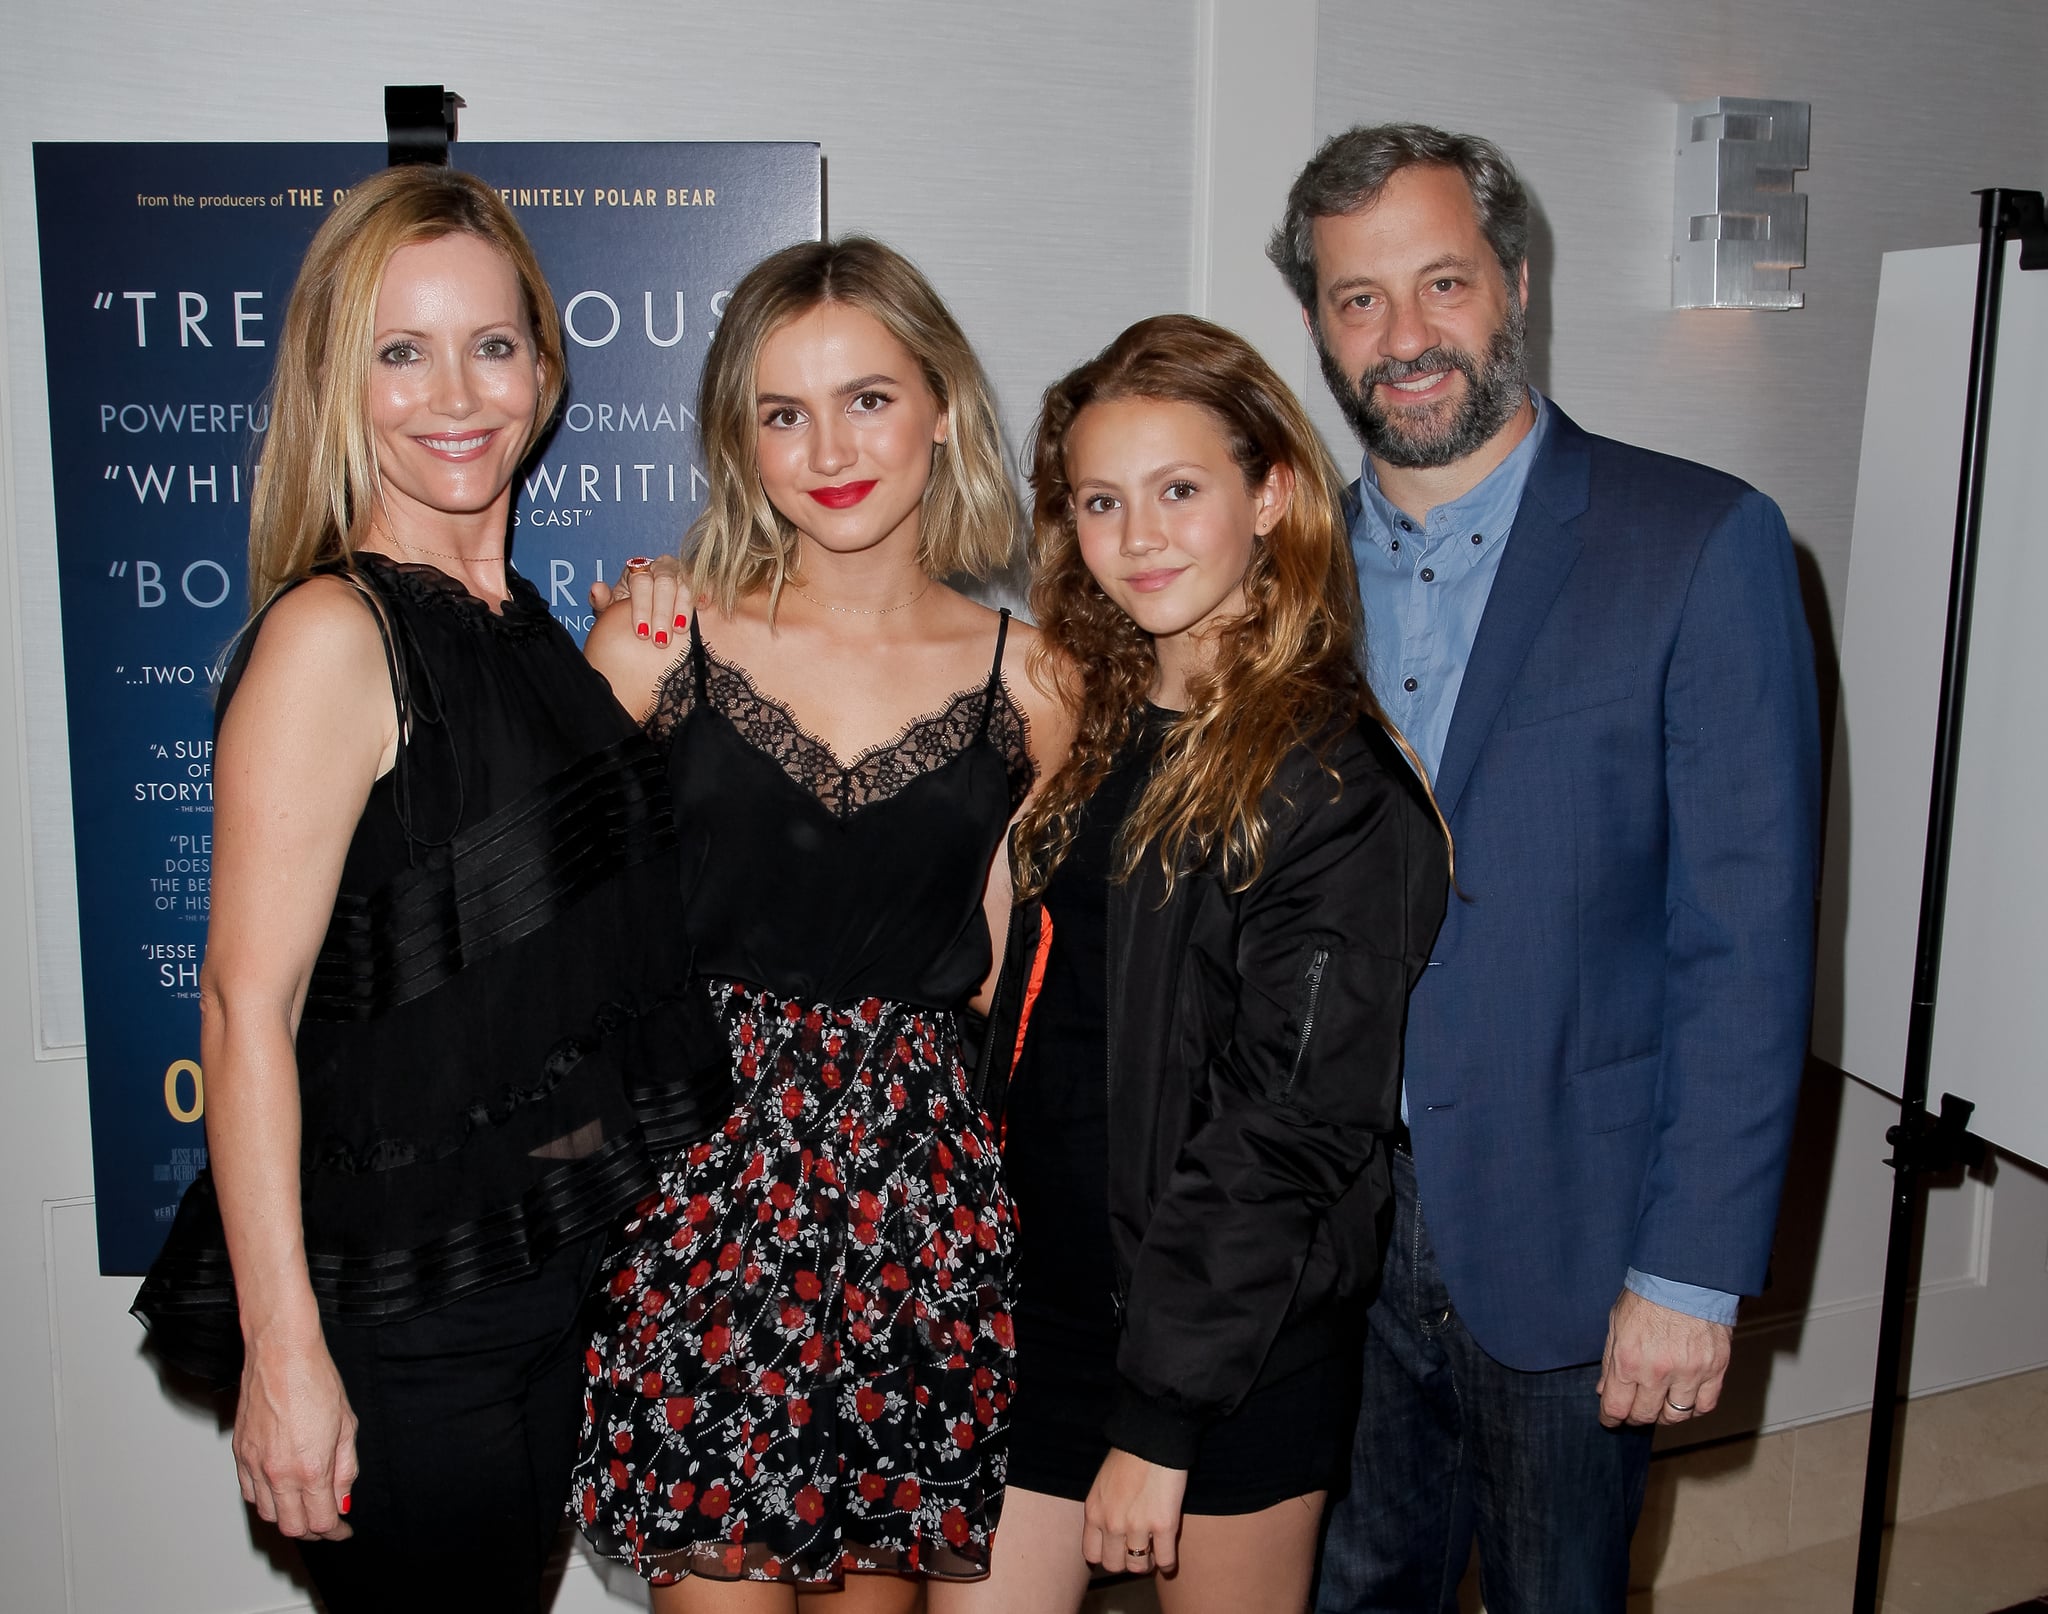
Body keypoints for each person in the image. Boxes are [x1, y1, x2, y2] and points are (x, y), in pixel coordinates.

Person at [129, 165, 728, 1613]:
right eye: (402, 350)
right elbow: (243, 1007)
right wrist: (285, 1354)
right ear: (345, 375)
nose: (454, 391)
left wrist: (616, 695)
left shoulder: (519, 625)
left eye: (492, 344)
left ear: (545, 363)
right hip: (409, 1320)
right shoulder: (335, 633)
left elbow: (501, 914)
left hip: (536, 1279)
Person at [1265, 125, 1821, 1611]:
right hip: (1331, 1235)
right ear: (1316, 326)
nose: (1405, 336)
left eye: (1442, 282)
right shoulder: (1279, 575)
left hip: (1576, 1237)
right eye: (1357, 299)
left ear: (1515, 281)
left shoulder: (1698, 540)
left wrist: (1692, 1270)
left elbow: (1745, 942)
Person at [570, 236, 1069, 1611]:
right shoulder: (655, 647)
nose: (829, 447)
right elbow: (549, 941)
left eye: (868, 397)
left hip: (923, 1207)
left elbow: (1032, 989)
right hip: (702, 1198)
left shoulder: (1031, 680)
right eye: (782, 412)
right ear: (742, 441)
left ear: (942, 409)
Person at [944, 314, 1447, 1614]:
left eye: (1180, 490)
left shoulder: (1335, 784)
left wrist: (1161, 1418)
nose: (1141, 535)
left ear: (1271, 493)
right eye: (1103, 500)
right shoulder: (1093, 730)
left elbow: (1286, 1129)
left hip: (1230, 1345)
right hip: (1036, 1306)